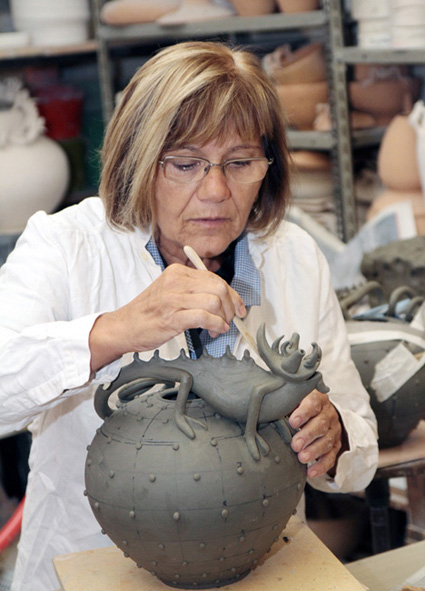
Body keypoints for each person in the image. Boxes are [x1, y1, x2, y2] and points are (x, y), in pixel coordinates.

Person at [0, 41, 378, 591]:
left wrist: (335, 434)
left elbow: (360, 438)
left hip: (258, 565)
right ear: (138, 159)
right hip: (89, 567)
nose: (217, 191)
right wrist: (119, 329)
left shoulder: (294, 255)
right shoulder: (65, 246)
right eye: (185, 164)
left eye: (241, 162)